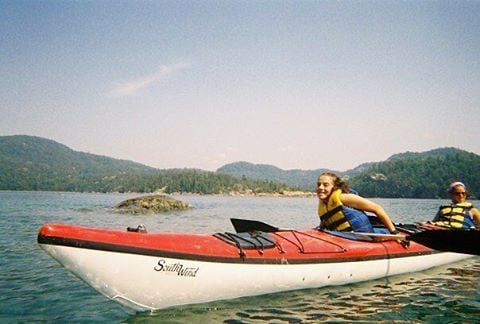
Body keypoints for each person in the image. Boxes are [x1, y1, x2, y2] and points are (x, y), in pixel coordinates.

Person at [316, 172, 397, 233]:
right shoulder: (325, 204)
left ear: (335, 187)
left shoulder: (344, 198)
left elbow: (377, 209)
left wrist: (394, 233)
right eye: (319, 184)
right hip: (343, 238)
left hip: (364, 237)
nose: (320, 187)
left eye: (325, 185)